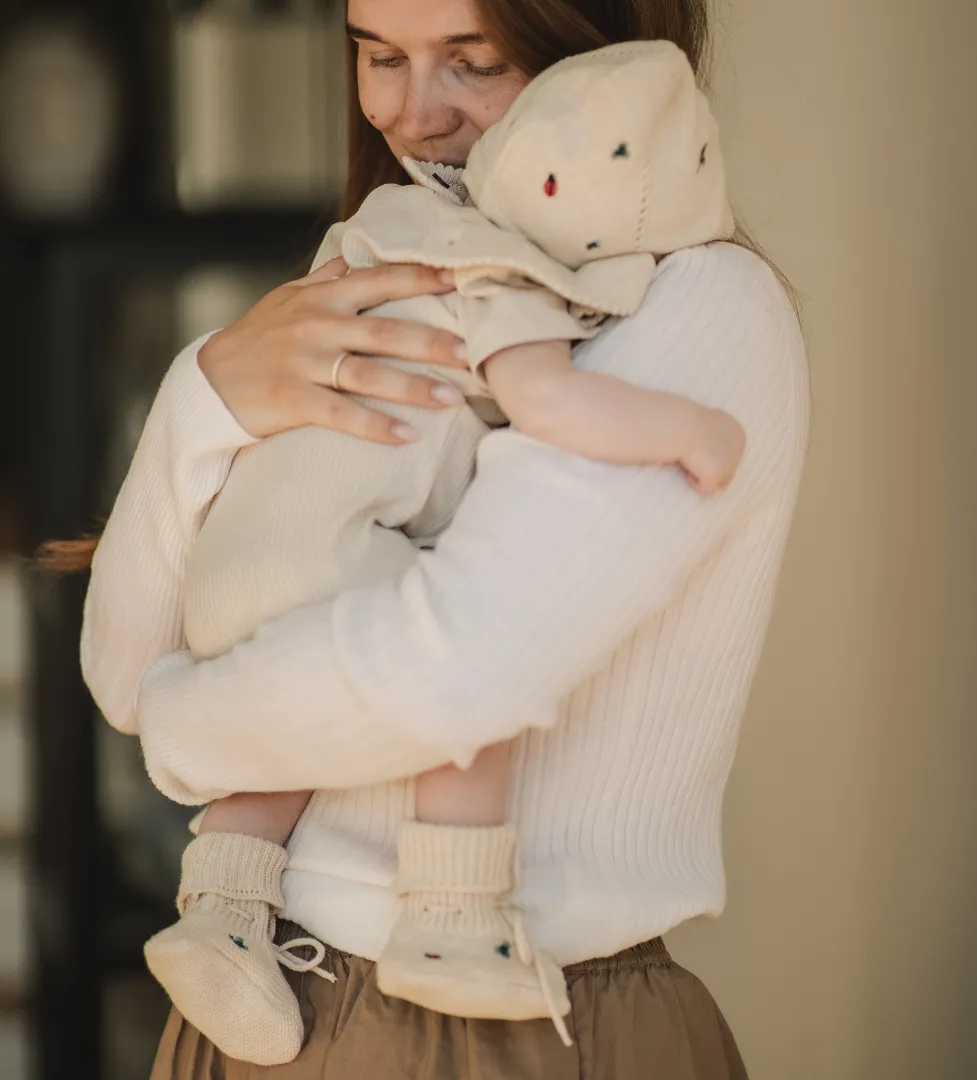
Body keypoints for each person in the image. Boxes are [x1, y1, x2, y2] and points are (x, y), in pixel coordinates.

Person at [67, 0, 810, 1076]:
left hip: (504, 1023)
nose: (415, 117)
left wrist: (186, 733)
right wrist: (209, 392)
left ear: (598, 55)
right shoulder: (386, 262)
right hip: (260, 1001)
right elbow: (124, 666)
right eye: (379, 55)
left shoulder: (690, 307)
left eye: (474, 62)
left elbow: (450, 683)